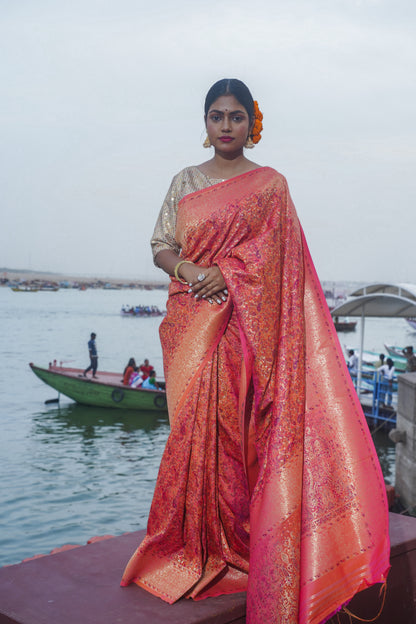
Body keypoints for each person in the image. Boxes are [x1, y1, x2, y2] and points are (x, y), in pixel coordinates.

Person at [121, 79, 389, 623]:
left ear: (252, 123)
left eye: (236, 116)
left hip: (245, 331)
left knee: (240, 434)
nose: (226, 126)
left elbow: (279, 261)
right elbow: (160, 246)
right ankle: (188, 545)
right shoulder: (185, 182)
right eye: (216, 116)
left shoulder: (270, 187)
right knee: (190, 436)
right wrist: (195, 272)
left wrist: (230, 274)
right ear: (204, 123)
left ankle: (243, 545)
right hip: (192, 324)